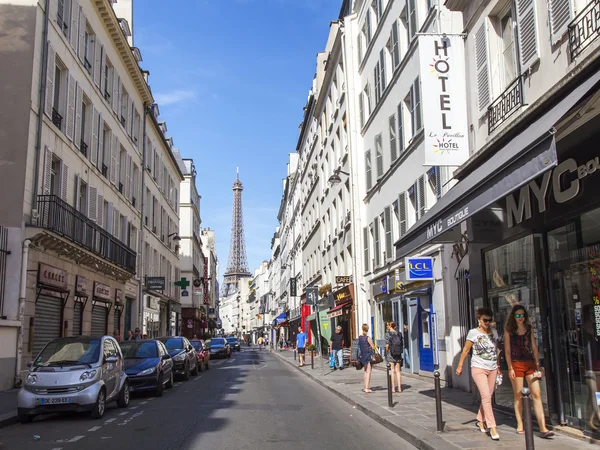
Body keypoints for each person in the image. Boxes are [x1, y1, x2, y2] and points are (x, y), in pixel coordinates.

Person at [504, 305, 554, 438]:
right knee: (518, 395)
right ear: (513, 317)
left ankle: (543, 427)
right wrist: (510, 367)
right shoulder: (509, 330)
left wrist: (538, 364)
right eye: (517, 315)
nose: (520, 318)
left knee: (536, 394)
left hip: (530, 363)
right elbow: (507, 350)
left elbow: (534, 347)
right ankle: (520, 423)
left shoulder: (529, 329)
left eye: (522, 315)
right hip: (516, 364)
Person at [456, 307, 501, 441]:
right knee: (486, 395)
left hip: (492, 367)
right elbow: (465, 350)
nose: (487, 323)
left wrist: (498, 366)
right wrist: (460, 365)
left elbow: (496, 351)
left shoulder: (494, 332)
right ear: (479, 320)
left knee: (488, 396)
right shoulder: (473, 333)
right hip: (478, 367)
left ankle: (480, 419)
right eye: (484, 320)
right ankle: (492, 426)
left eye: (489, 320)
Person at [386, 322, 403, 393]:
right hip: (398, 353)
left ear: (390, 326)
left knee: (392, 371)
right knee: (398, 371)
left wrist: (386, 351)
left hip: (391, 353)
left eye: (387, 325)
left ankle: (393, 388)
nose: (387, 327)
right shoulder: (399, 333)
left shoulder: (388, 334)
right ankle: (399, 388)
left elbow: (387, 345)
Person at [359, 323, 375, 393]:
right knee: (368, 372)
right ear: (367, 329)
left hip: (363, 355)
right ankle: (367, 388)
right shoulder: (368, 338)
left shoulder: (360, 337)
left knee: (365, 372)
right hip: (368, 355)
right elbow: (373, 346)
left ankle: (365, 386)